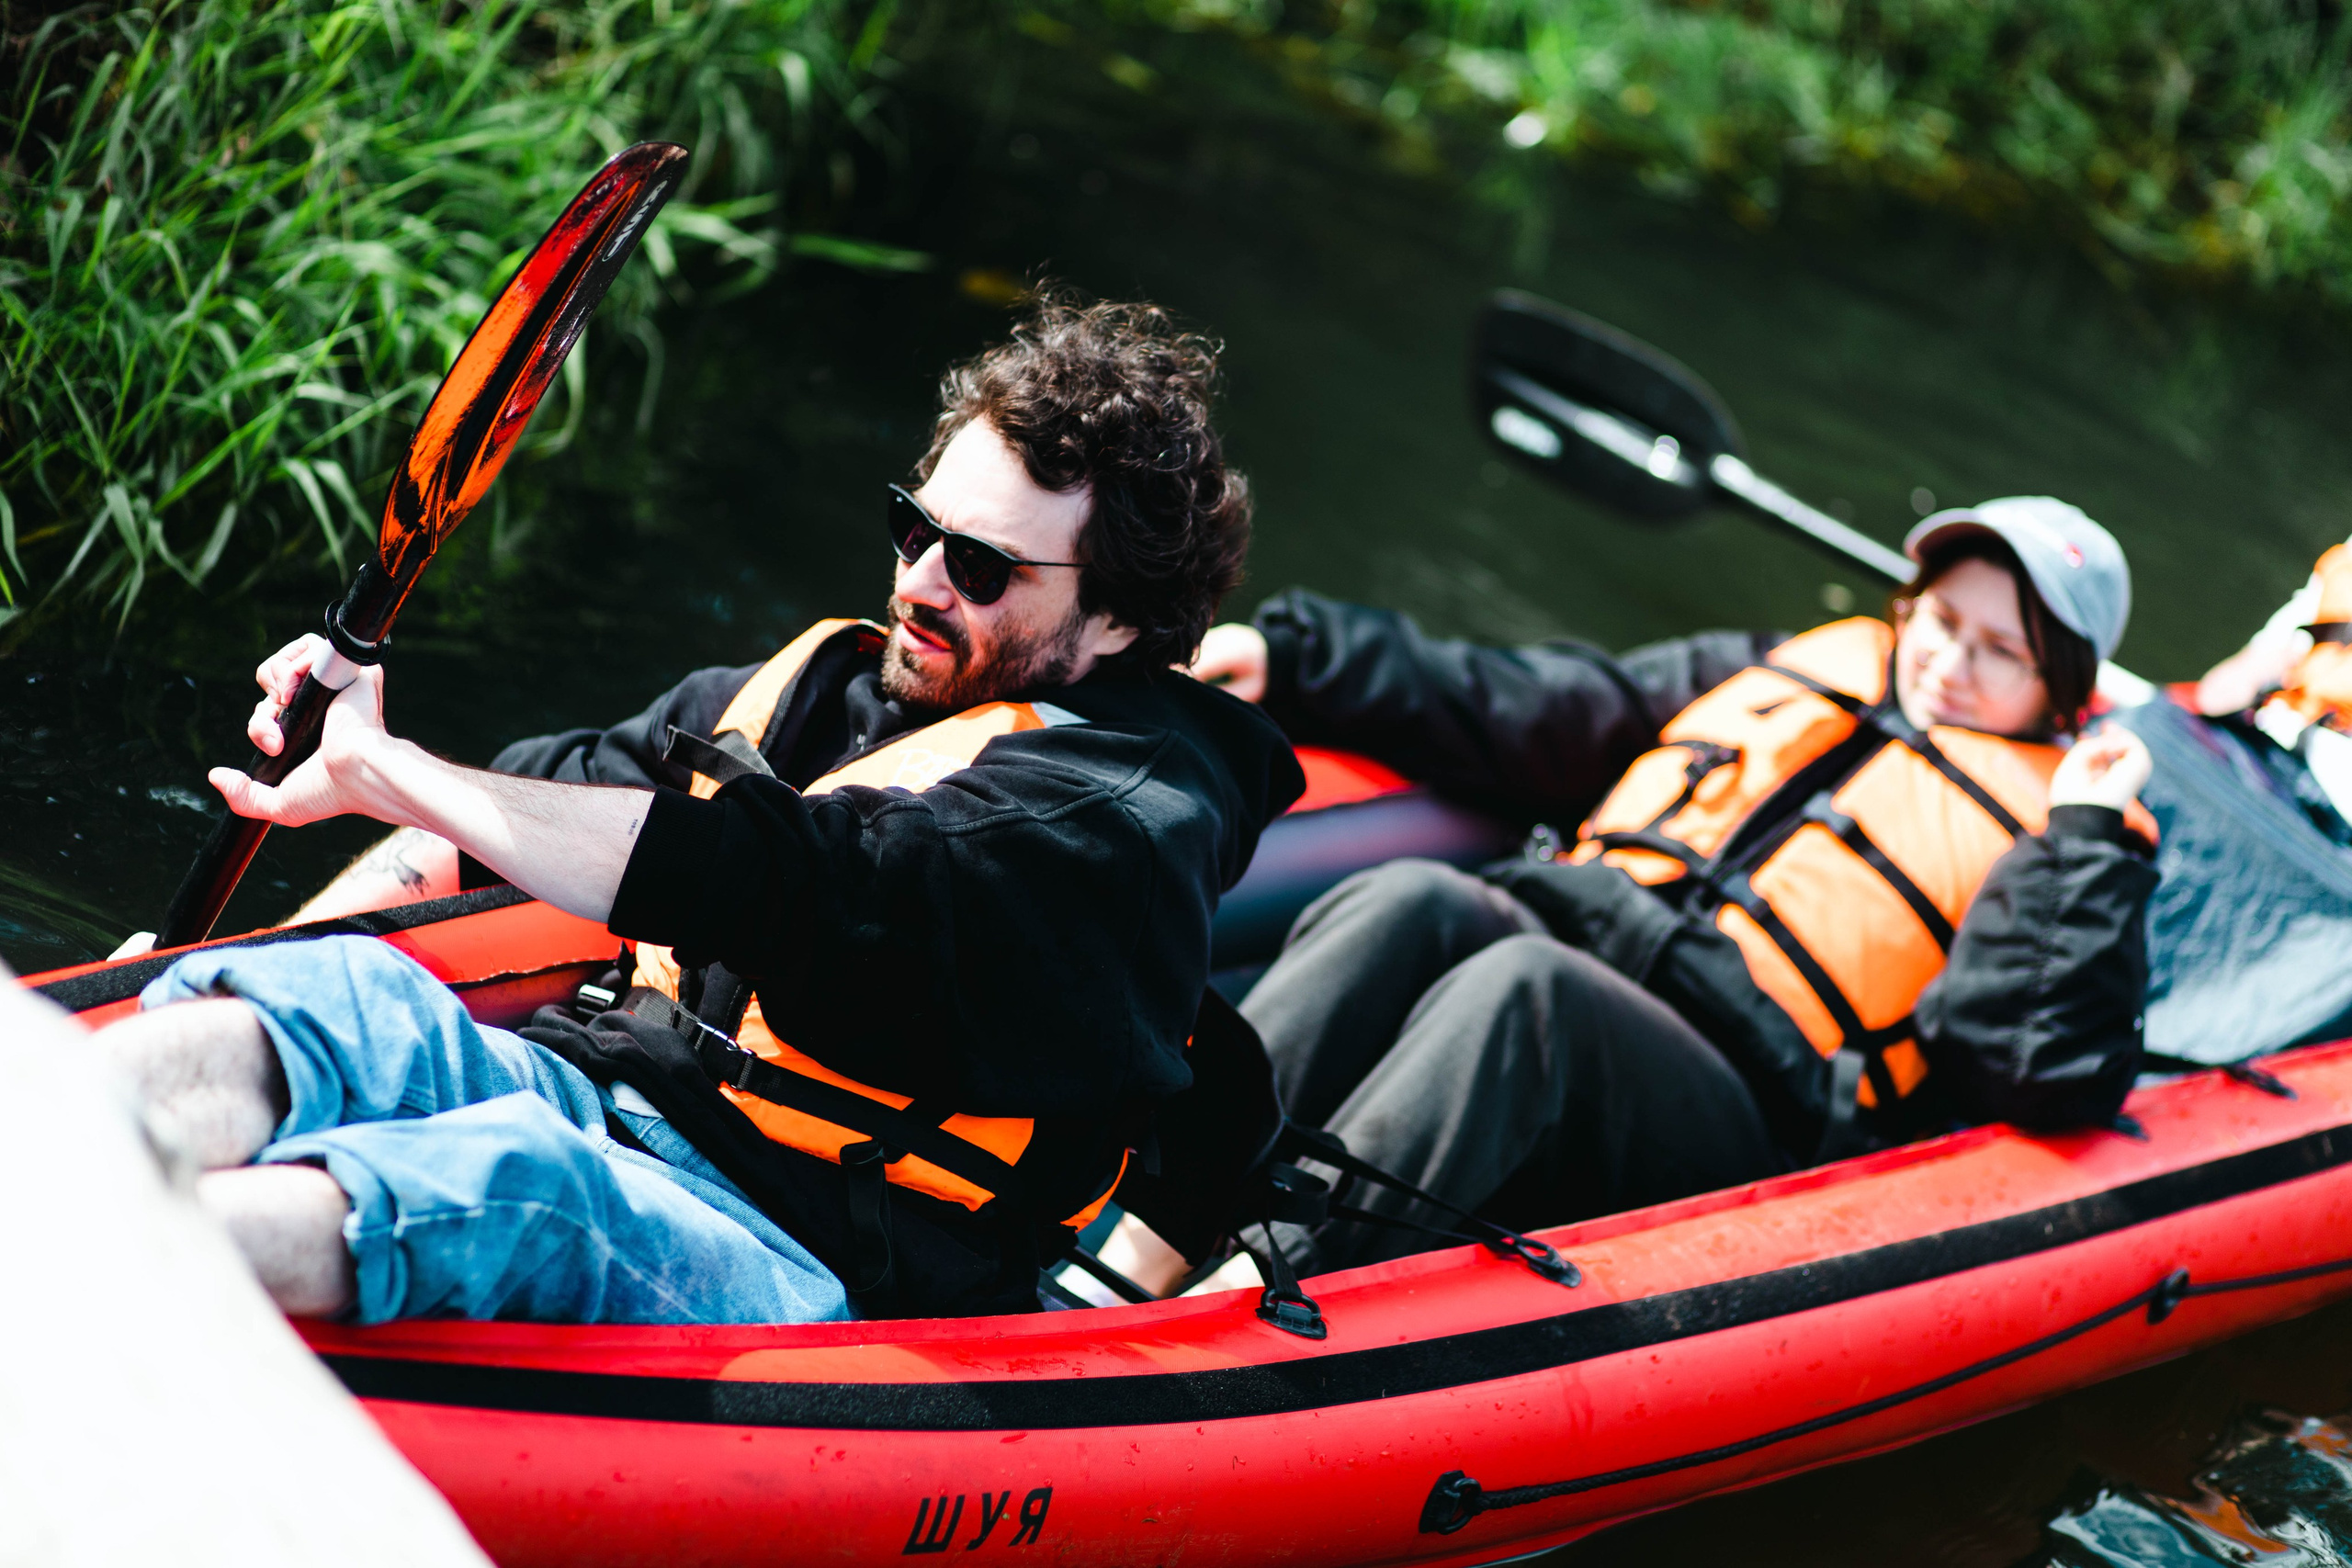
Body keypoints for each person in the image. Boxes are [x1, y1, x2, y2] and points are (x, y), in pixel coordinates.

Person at [95, 295, 1303, 1325]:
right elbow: (501, 812)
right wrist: (263, 933)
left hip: (812, 1258)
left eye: (980, 566)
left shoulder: (1118, 825)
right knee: (343, 993)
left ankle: (83, 1286)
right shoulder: (834, 685)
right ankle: (55, 1136)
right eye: (916, 530)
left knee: (522, 1180)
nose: (919, 581)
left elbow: (796, 875)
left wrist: (393, 764)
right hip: (607, 1091)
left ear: (1119, 623)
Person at [1185, 496, 2158, 1275]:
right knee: (1414, 898)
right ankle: (1154, 1221)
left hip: (1745, 1100)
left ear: (2059, 691)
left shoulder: (2055, 829)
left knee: (1529, 988)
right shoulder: (1783, 668)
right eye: (1943, 622)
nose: (1950, 665)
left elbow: (2032, 1068)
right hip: (1589, 938)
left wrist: (2084, 833)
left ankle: (1262, 1287)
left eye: (2003, 652)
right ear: (1908, 609)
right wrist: (1310, 662)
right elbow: (1546, 703)